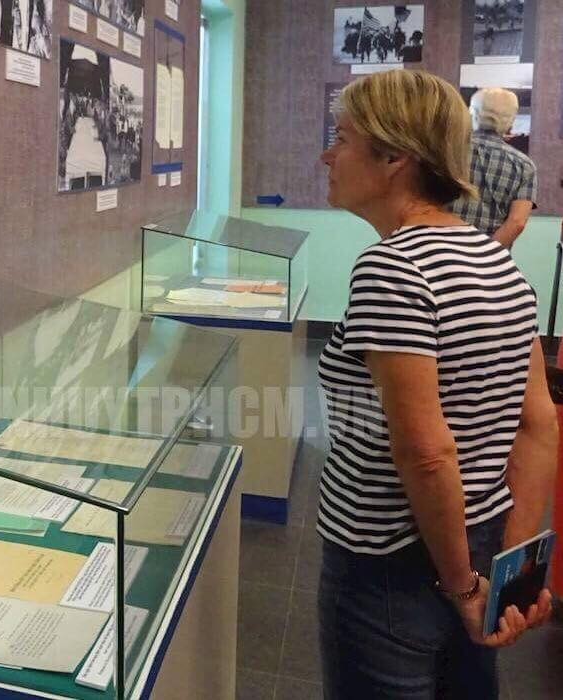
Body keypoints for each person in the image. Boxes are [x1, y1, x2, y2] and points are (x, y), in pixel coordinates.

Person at [318, 69, 557, 699]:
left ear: (395, 156)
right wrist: (509, 576)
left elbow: (426, 450)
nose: (327, 154)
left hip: (390, 566)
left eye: (341, 138)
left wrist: (463, 589)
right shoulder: (496, 261)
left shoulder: (392, 268)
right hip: (479, 544)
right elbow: (539, 425)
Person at [449, 88, 537, 248]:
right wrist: (484, 256)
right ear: (511, 120)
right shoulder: (524, 165)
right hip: (488, 265)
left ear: (472, 113)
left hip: (437, 254)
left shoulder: (446, 151)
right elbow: (517, 222)